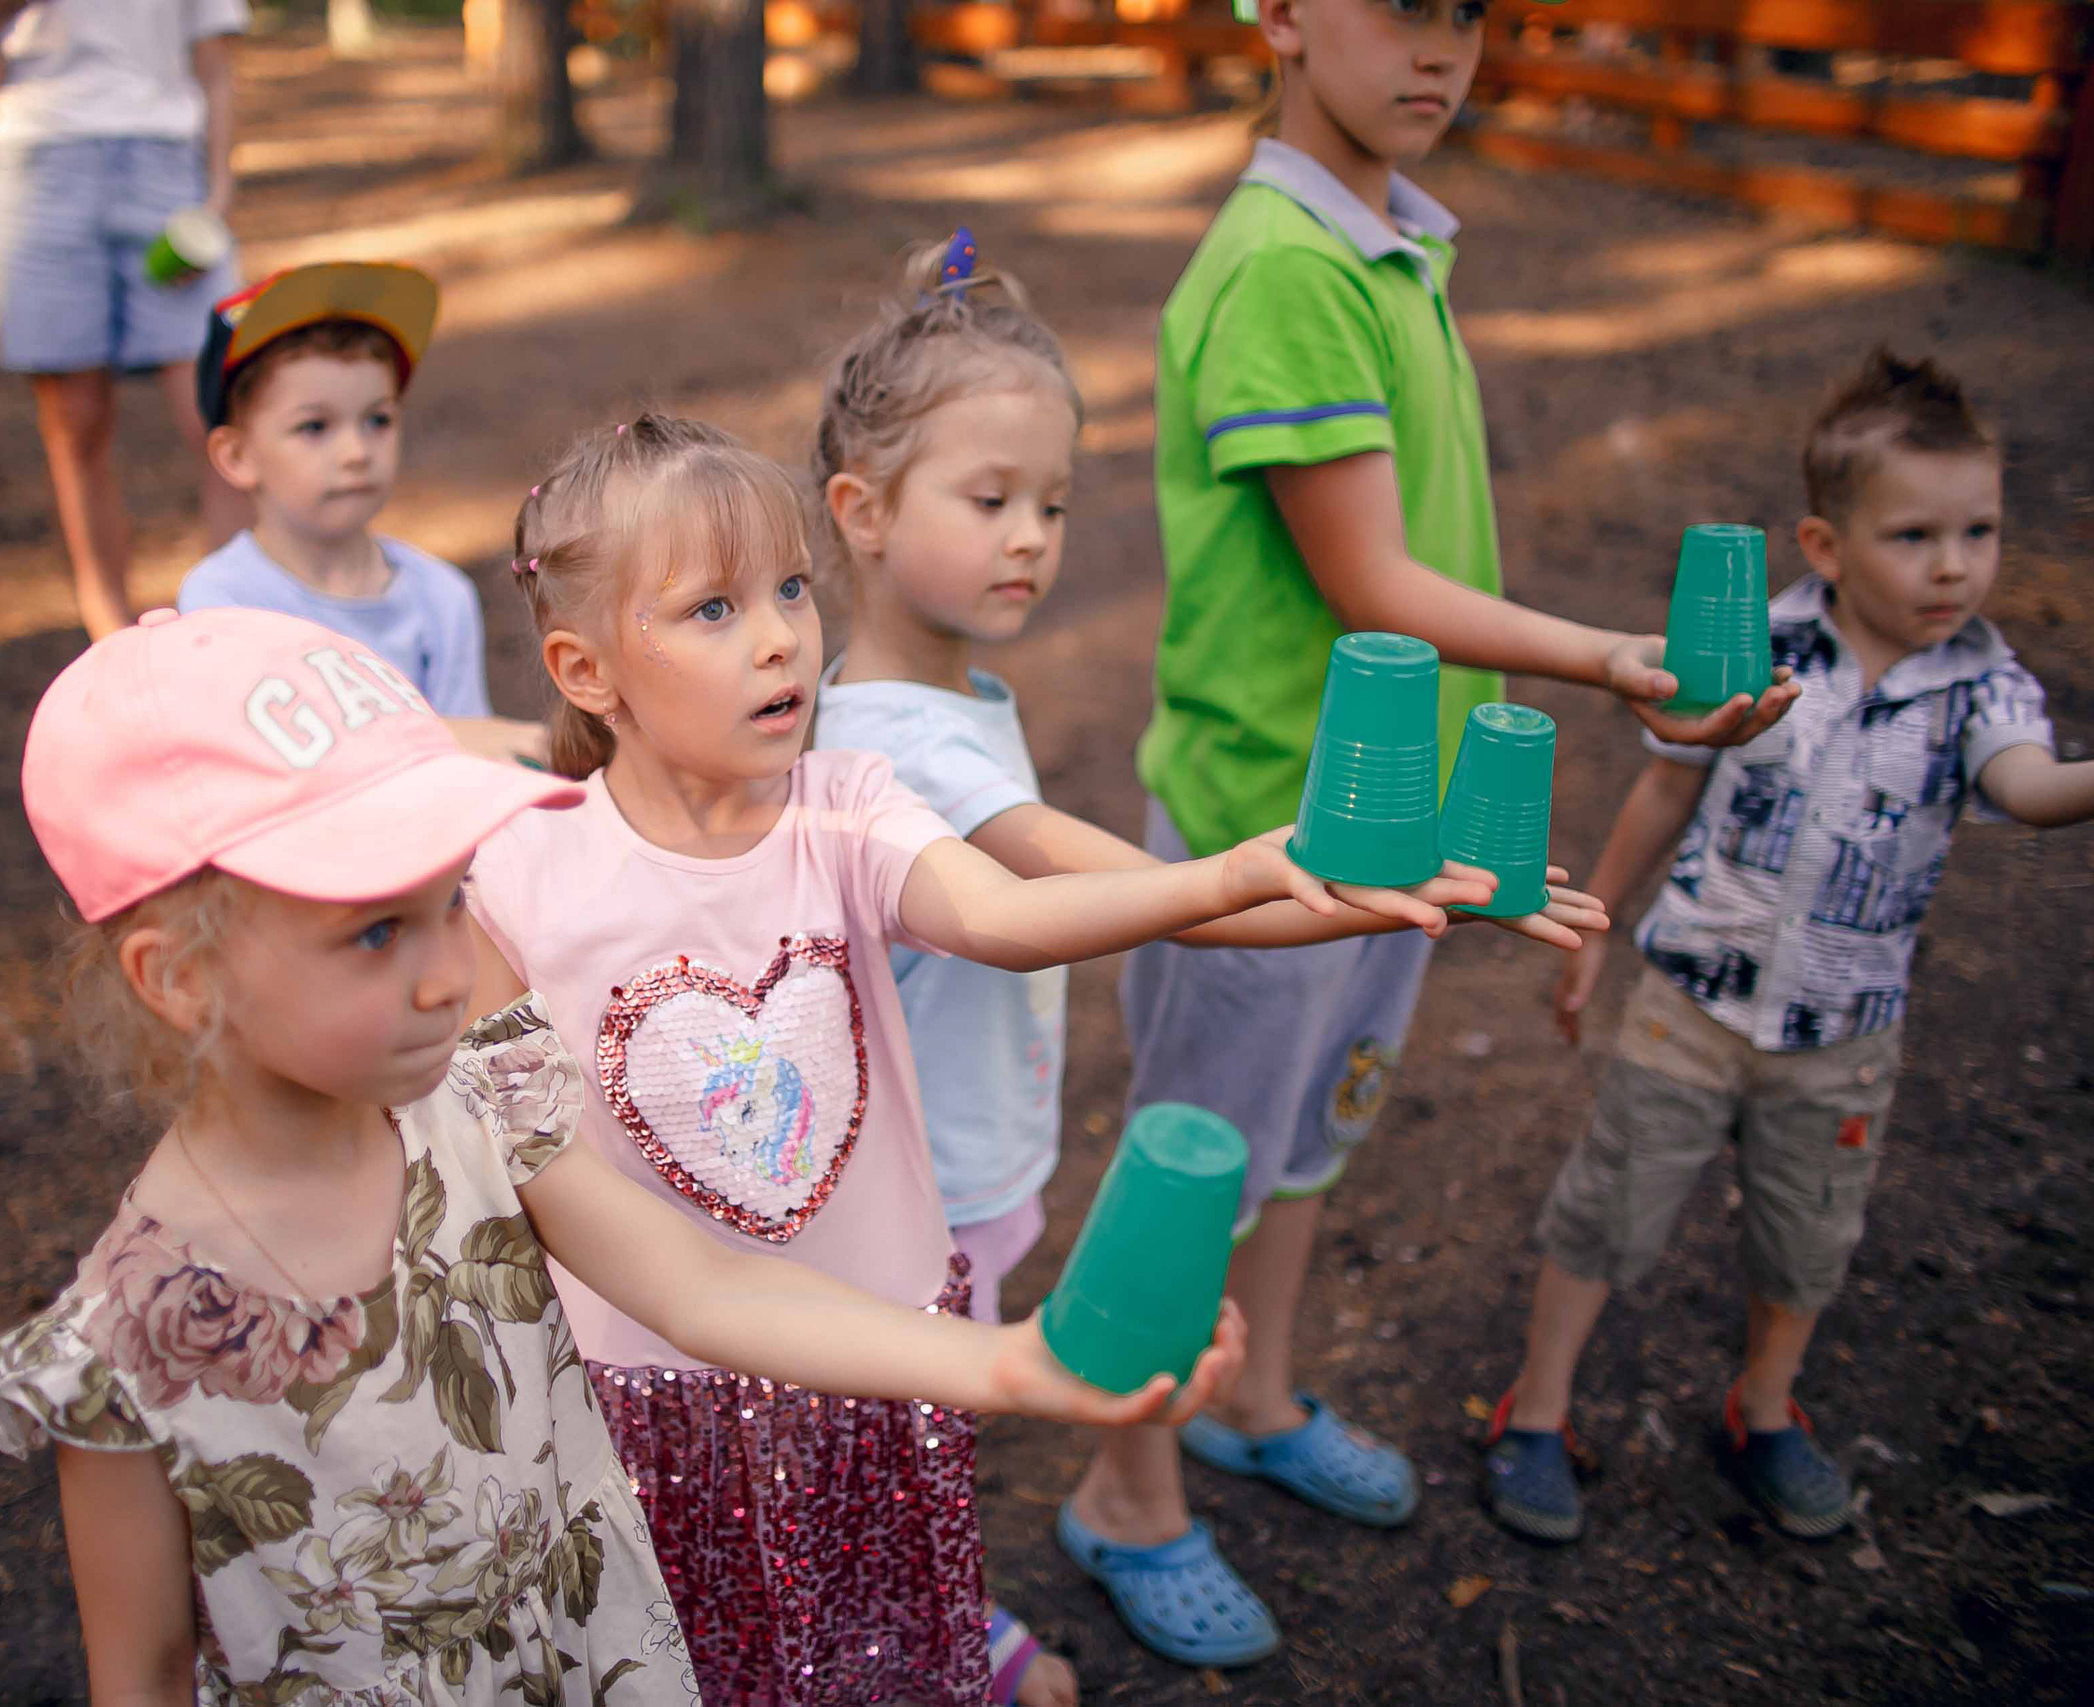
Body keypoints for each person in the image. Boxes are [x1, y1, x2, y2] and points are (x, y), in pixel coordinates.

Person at [0, 604, 1243, 1705]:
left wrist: (1017, 1364)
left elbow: (705, 1286)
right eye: (370, 935)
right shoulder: (127, 1346)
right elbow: (140, 1674)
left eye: (447, 901)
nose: (445, 970)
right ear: (176, 978)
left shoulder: (484, 1098)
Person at [1065, 0, 1802, 1668]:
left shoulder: (1392, 240)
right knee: (1198, 1164)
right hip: (1272, 829)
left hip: (1377, 830)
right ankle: (1126, 1484)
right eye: (1400, 9)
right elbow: (1373, 586)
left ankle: (1253, 1395)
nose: (1442, 49)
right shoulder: (1282, 267)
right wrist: (1614, 659)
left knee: (1312, 1134)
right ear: (1279, 16)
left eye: (1468, 14)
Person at [463, 412, 1401, 1706]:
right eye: (714, 608)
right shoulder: (517, 872)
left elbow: (1003, 916)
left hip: (879, 1345)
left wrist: (1228, 872)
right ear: (586, 668)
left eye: (792, 586)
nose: (783, 632)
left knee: (883, 1617)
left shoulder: (844, 801)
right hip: (659, 1403)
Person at [804, 227, 1608, 1703]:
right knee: (896, 1426)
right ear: (859, 509)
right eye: (988, 499)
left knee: (917, 1422)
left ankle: (911, 1600)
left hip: (963, 1164)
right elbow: (1169, 900)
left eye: (1051, 498)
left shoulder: (947, 694)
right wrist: (1359, 891)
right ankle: (913, 1632)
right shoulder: (896, 745)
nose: (1034, 535)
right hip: (901, 1190)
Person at [1487, 350, 2094, 1543]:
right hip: (1688, 1003)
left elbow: (2025, 792)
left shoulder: (1984, 689)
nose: (1954, 564)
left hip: (1841, 1038)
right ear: (1823, 545)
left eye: (1978, 531)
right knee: (1607, 1210)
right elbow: (1664, 792)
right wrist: (1594, 927)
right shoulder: (1753, 643)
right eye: (1914, 535)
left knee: (1805, 1232)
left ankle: (1764, 1409)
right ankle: (1536, 1410)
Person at [0, 0, 252, 641]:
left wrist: (217, 193)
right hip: (41, 173)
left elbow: (216, 69)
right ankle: (108, 631)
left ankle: (234, 622)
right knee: (73, 421)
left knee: (224, 417)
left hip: (167, 173)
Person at [178, 261, 547, 765]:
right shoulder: (222, 603)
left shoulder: (439, 596)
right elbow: (249, 769)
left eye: (378, 419)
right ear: (237, 457)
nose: (357, 450)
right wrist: (437, 738)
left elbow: (476, 757)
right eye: (314, 427)